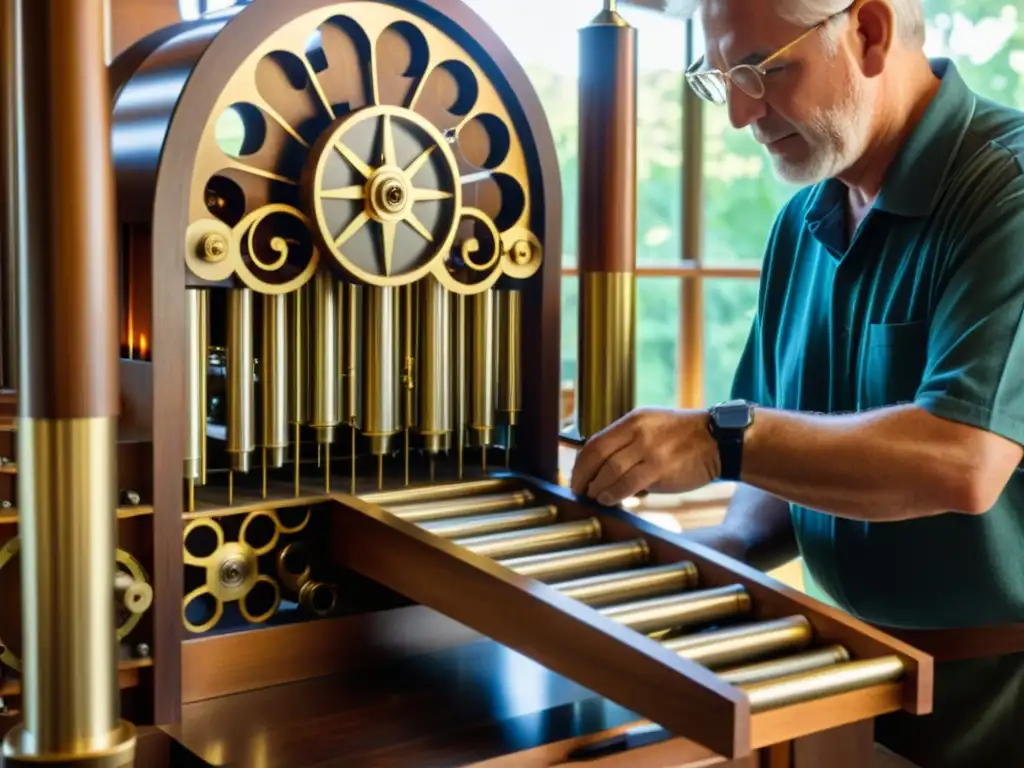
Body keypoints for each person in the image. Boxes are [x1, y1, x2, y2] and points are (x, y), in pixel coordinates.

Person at [569, 0, 1024, 765]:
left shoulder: (1006, 191)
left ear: (869, 31)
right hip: (838, 684)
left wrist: (715, 440)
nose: (741, 116)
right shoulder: (801, 224)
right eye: (722, 80)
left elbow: (963, 462)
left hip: (997, 712)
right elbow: (771, 479)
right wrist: (684, 562)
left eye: (760, 71)